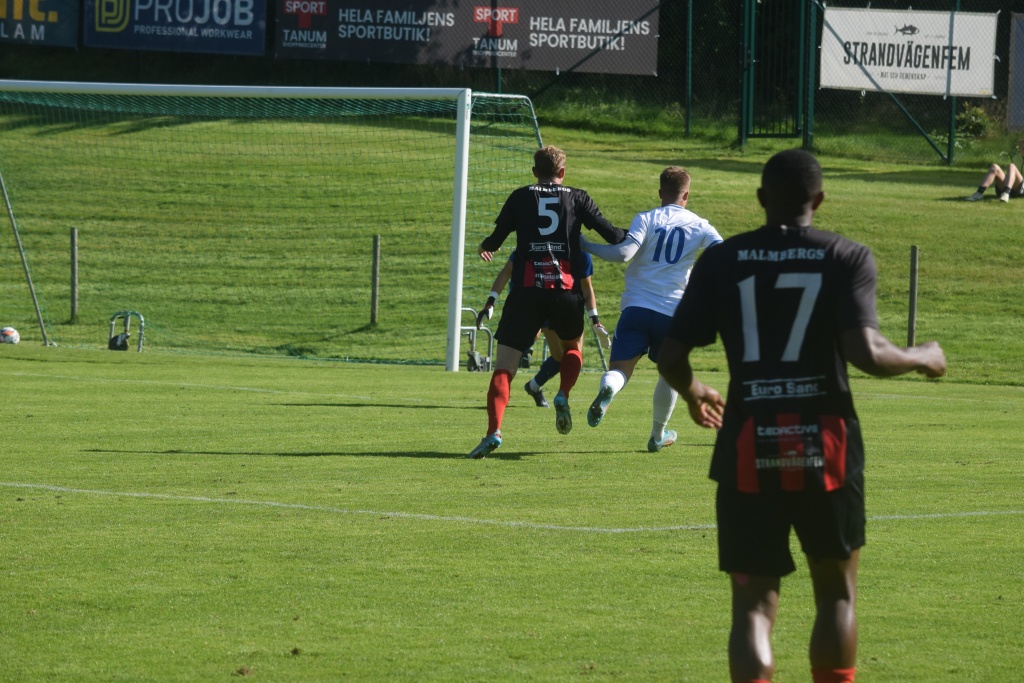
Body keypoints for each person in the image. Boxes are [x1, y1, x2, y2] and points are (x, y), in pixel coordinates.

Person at [657, 149, 946, 683]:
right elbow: (866, 353)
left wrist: (695, 392)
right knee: (836, 595)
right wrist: (922, 355)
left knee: (752, 608)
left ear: (761, 198)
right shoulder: (845, 256)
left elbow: (671, 357)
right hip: (826, 446)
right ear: (819, 199)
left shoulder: (722, 260)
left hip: (748, 446)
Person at [468, 145, 626, 459]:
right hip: (565, 291)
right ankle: (562, 393)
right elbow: (612, 234)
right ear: (562, 171)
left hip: (526, 291)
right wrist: (639, 236)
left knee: (505, 367)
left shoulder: (520, 196)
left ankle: (494, 431)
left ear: (534, 172)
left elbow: (496, 239)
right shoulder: (578, 197)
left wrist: (484, 246)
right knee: (572, 350)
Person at [581, 166, 722, 452]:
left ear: (660, 192)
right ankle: (658, 435)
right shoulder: (700, 225)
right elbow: (722, 255)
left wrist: (587, 245)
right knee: (669, 374)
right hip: (673, 314)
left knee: (620, 370)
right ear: (687, 194)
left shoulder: (646, 218)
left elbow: (624, 254)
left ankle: (609, 387)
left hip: (636, 308)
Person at [476, 252, 611, 409]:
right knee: (520, 345)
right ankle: (505, 389)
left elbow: (587, 286)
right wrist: (490, 302)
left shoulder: (579, 253)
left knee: (561, 356)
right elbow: (507, 271)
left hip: (556, 303)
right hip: (527, 301)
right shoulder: (529, 245)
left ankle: (534, 387)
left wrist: (595, 320)